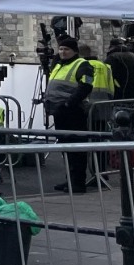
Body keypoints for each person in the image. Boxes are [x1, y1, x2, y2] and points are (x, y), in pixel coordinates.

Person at [44, 36, 95, 193]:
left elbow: (85, 86)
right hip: (59, 112)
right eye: (61, 49)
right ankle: (70, 180)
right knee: (66, 148)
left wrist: (68, 104)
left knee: (76, 149)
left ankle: (78, 183)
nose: (62, 52)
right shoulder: (59, 65)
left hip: (73, 112)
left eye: (66, 49)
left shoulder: (82, 65)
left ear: (74, 51)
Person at [107, 38, 134, 103]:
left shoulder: (112, 57)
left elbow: (109, 75)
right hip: (132, 90)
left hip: (118, 93)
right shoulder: (133, 55)